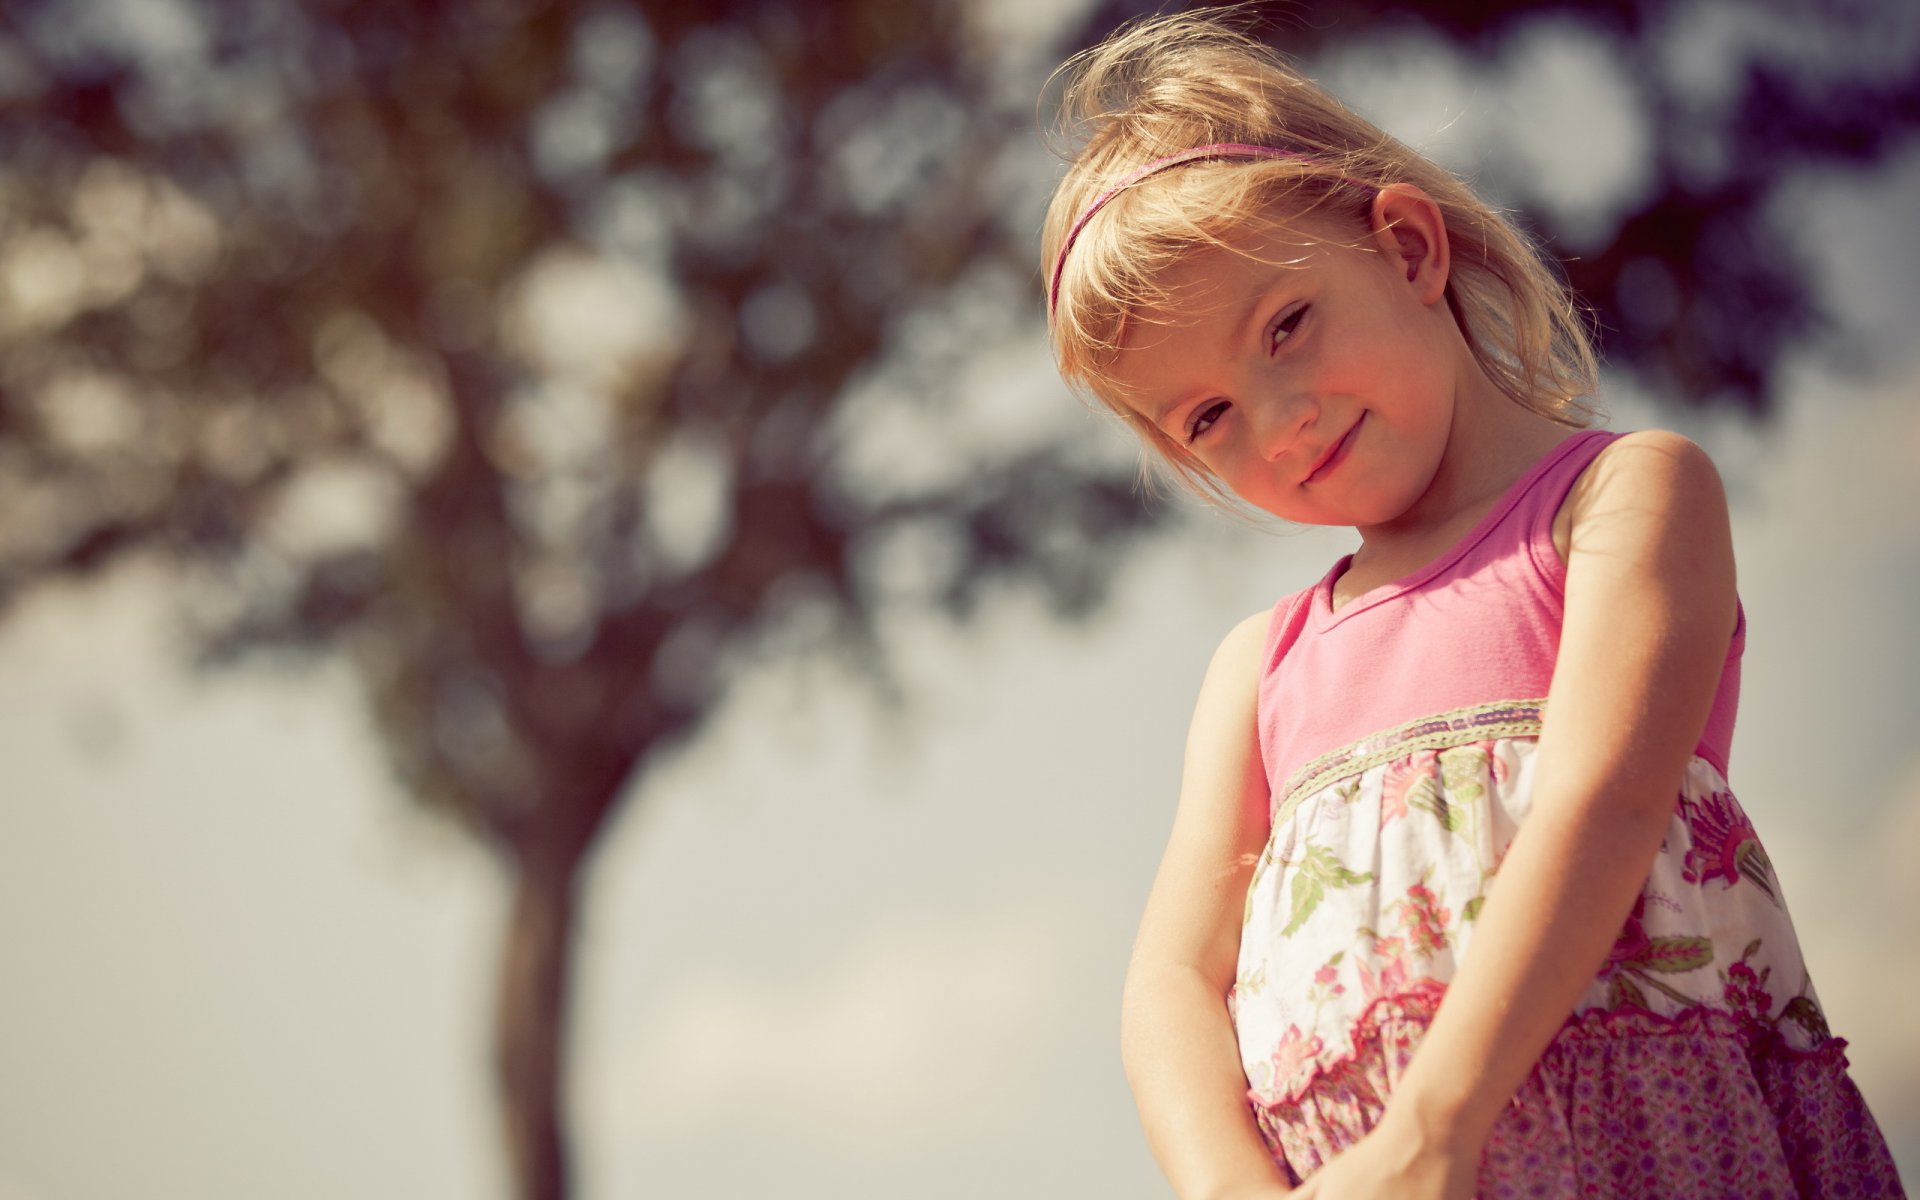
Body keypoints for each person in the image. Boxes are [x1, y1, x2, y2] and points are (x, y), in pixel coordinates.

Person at [1041, 11, 1905, 1199]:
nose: (1278, 421)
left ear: (1405, 249)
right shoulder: (1263, 668)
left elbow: (1599, 808)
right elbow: (1173, 980)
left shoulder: (1620, 501)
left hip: (1641, 1146)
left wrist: (1435, 1128)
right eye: (1208, 420)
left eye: (1286, 327)